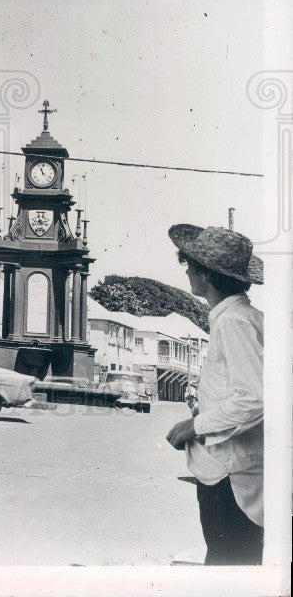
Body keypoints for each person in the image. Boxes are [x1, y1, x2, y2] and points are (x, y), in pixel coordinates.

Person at [165, 224, 264, 565]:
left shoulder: (235, 322)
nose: (188, 270)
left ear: (206, 274)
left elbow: (253, 398)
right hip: (229, 474)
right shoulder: (238, 317)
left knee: (227, 568)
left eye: (190, 265)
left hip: (230, 481)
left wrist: (195, 427)